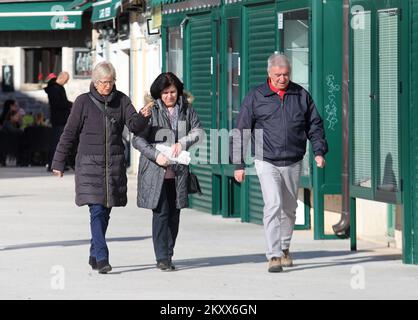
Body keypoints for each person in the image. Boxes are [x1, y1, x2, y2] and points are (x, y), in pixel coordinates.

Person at [230, 53, 328, 273]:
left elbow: (315, 125)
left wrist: (319, 151)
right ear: (269, 74)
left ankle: (284, 248)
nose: (282, 78)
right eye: (278, 75)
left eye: (286, 74)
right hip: (266, 160)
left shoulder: (300, 94)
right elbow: (241, 130)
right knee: (273, 204)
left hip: (293, 160)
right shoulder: (256, 96)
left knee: (290, 208)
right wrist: (238, 164)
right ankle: (273, 255)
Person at [51, 61, 152, 274]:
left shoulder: (122, 100)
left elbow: (133, 125)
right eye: (104, 82)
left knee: (105, 211)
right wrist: (58, 162)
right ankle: (103, 256)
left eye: (111, 81)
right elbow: (69, 133)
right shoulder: (82, 102)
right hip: (89, 165)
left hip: (113, 165)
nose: (108, 86)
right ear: (95, 83)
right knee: (96, 210)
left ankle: (94, 251)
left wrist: (143, 116)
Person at [132, 72, 204, 271]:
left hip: (179, 171)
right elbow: (137, 139)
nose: (169, 96)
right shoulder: (150, 110)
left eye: (172, 92)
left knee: (175, 214)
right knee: (161, 213)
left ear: (178, 92)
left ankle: (169, 253)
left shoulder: (187, 109)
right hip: (156, 171)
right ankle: (162, 257)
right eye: (165, 93)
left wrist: (183, 142)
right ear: (158, 93)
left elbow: (198, 131)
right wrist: (156, 155)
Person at [44, 71, 72, 172]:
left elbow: (63, 102)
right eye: (67, 80)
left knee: (61, 142)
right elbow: (57, 104)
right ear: (62, 78)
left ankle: (59, 164)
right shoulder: (54, 89)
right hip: (58, 119)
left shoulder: (59, 88)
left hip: (62, 119)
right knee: (56, 142)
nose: (67, 82)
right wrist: (69, 105)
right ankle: (53, 164)